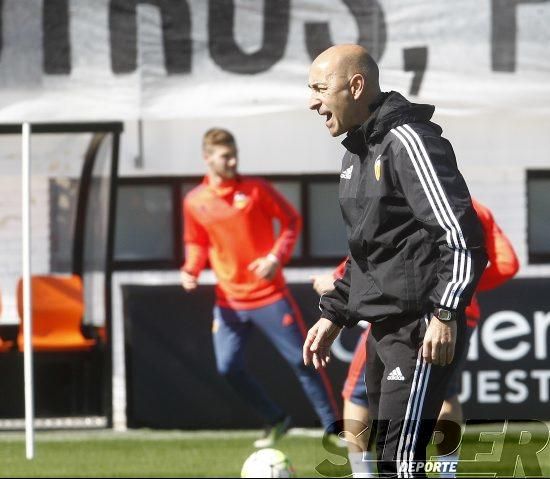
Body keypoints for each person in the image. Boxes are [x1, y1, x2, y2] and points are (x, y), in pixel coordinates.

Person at [303, 44, 488, 475]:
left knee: (397, 462)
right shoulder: (355, 154)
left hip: (420, 326)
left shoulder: (409, 141)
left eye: (319, 88)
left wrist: (444, 312)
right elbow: (367, 254)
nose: (312, 100)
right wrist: (334, 315)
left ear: (356, 85)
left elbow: (461, 234)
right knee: (388, 458)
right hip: (383, 330)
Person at [311, 198, 519, 477]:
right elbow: (507, 264)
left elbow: (373, 254)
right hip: (459, 316)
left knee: (357, 396)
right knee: (446, 397)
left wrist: (335, 284)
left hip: (404, 314)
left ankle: (364, 473)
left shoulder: (405, 199)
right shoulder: (474, 208)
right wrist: (461, 289)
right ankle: (447, 473)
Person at [181, 128, 339, 448]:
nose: (233, 160)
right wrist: (191, 269)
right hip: (228, 300)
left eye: (234, 153)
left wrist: (274, 258)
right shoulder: (195, 201)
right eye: (226, 156)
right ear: (207, 158)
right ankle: (275, 419)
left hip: (269, 296)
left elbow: (292, 221)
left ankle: (334, 430)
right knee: (228, 367)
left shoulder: (256, 189)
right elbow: (196, 242)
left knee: (303, 359)